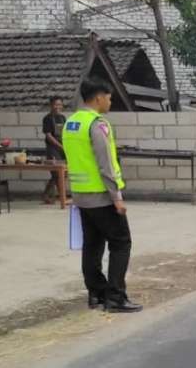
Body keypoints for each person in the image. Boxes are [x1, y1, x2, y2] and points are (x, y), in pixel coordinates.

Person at [63, 78, 141, 312]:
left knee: (92, 245)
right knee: (121, 243)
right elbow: (105, 164)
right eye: (108, 97)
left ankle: (96, 293)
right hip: (101, 196)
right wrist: (116, 198)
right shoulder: (97, 124)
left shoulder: (71, 123)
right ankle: (116, 297)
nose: (110, 101)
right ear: (98, 97)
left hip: (81, 196)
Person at [42, 96, 67, 204]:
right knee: (56, 173)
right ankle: (60, 197)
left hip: (63, 148)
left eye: (60, 105)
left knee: (63, 173)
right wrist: (59, 146)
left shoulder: (63, 118)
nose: (58, 107)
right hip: (53, 148)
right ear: (51, 105)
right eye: (56, 104)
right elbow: (48, 136)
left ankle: (49, 195)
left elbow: (65, 133)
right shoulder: (47, 118)